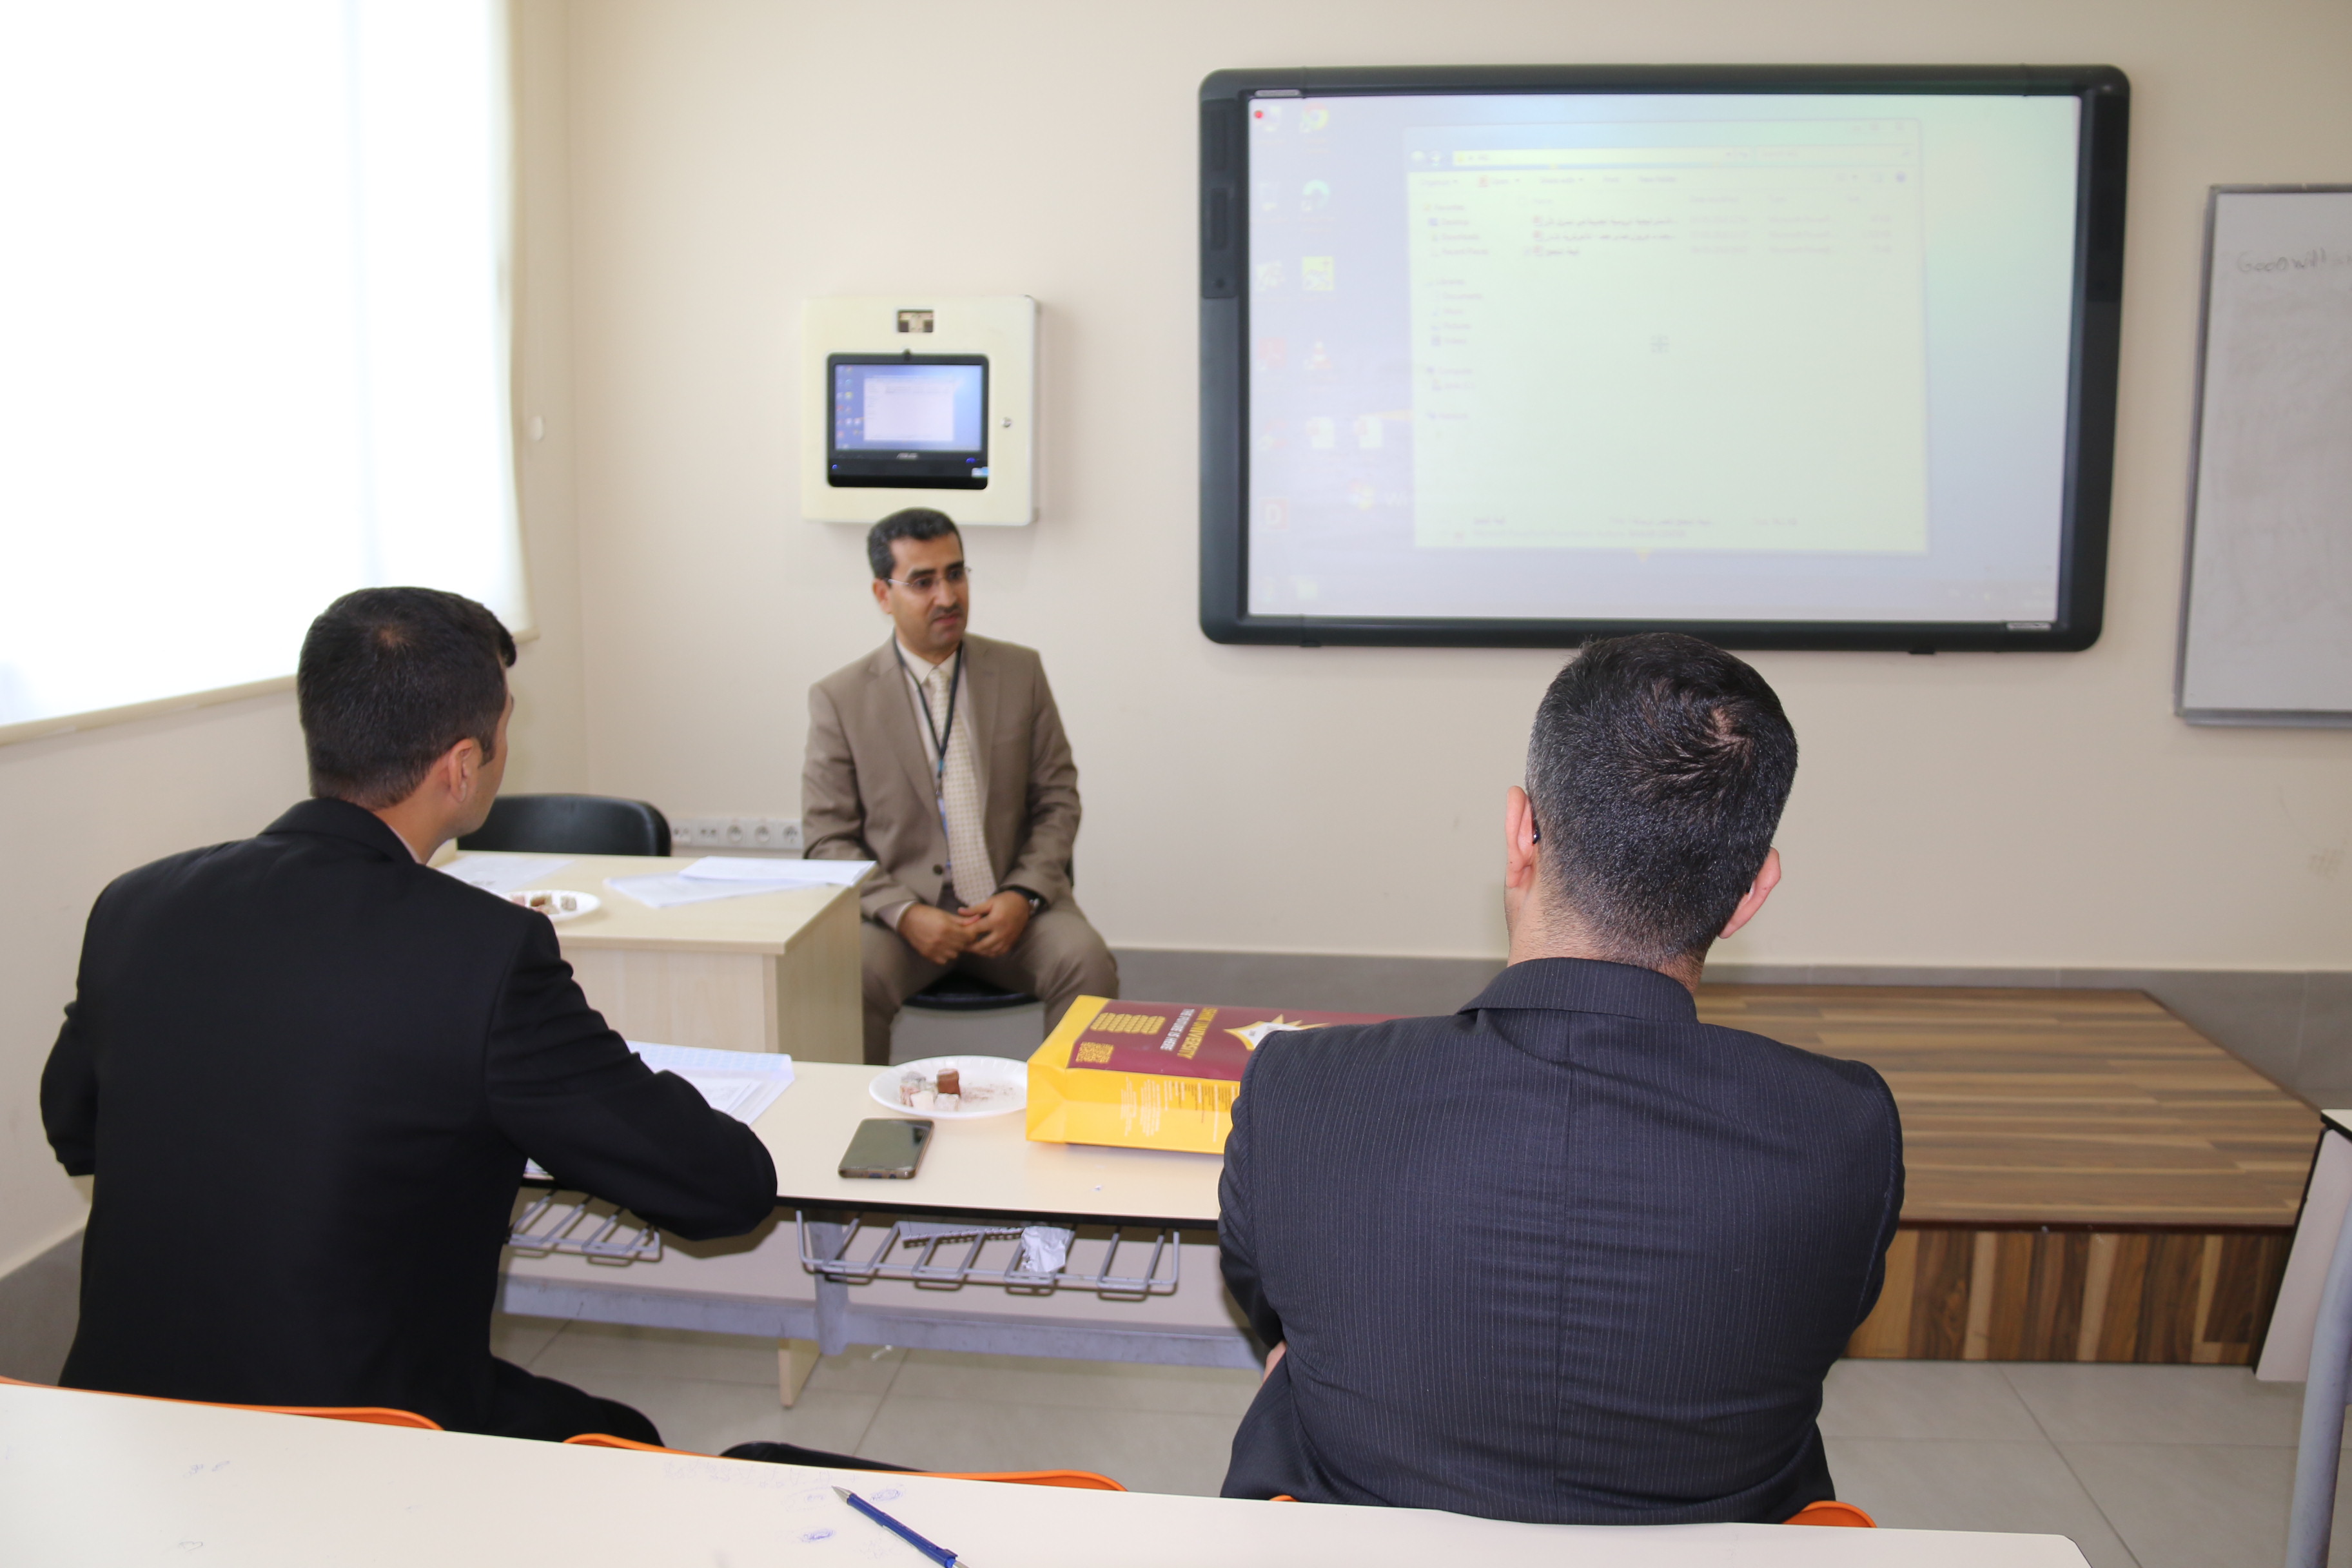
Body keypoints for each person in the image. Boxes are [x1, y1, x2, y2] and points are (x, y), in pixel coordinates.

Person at [39, 588, 779, 1444]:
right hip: (360, 1430)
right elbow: (719, 1188)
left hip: (121, 1416)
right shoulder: (484, 951)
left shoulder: (136, 905)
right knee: (624, 1437)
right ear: (462, 765)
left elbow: (76, 1127)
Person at [1217, 632, 1904, 1524]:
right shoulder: (1845, 1129)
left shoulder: (1302, 1091)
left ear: (1520, 834)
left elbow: (1272, 1303)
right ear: (1750, 891)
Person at [803, 507, 1118, 1065]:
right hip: (902, 918)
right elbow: (827, 840)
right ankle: (858, 1119)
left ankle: (1066, 1115)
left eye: (955, 574)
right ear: (883, 594)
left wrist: (1022, 896)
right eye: (922, 582)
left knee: (1088, 963)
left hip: (1013, 908)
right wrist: (904, 913)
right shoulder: (841, 699)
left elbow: (1057, 801)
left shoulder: (1020, 672)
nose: (947, 597)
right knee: (848, 979)